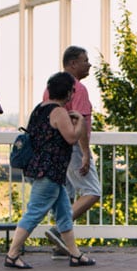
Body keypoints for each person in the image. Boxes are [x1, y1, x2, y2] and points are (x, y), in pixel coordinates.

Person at [2, 71, 96, 269]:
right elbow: (71, 138)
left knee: (63, 214)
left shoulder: (40, 109)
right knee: (34, 212)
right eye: (71, 90)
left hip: (39, 169)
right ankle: (12, 254)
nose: (73, 93)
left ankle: (75, 255)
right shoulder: (59, 112)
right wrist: (80, 122)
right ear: (67, 92)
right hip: (50, 171)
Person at [40, 45, 101, 254]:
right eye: (85, 60)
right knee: (92, 191)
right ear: (73, 63)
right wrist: (85, 153)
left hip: (56, 148)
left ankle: (62, 245)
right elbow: (81, 121)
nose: (89, 64)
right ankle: (59, 230)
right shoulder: (78, 89)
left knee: (65, 195)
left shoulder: (51, 87)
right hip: (73, 146)